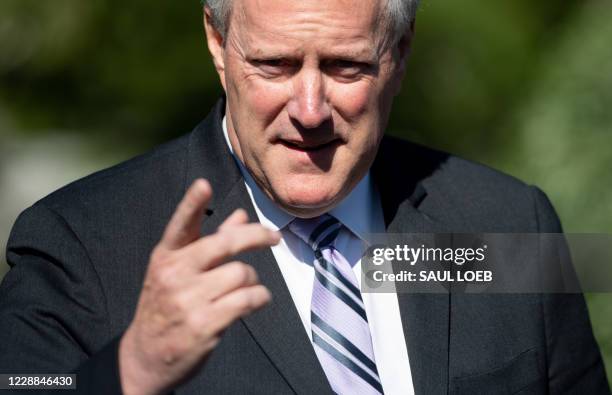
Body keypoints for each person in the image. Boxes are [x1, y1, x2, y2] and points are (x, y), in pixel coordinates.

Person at [0, 0, 609, 394]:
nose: (309, 110)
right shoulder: (80, 241)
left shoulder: (508, 223)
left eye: (345, 67)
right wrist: (128, 372)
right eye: (275, 64)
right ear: (217, 44)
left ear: (398, 54)